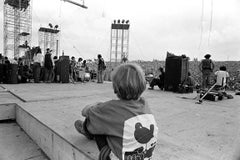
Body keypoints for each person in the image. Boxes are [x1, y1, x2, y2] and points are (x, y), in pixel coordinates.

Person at [74, 63, 158, 160]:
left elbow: (84, 112)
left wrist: (99, 105)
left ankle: (86, 130)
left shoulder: (110, 108)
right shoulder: (144, 104)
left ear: (115, 88)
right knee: (110, 122)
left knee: (96, 120)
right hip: (145, 155)